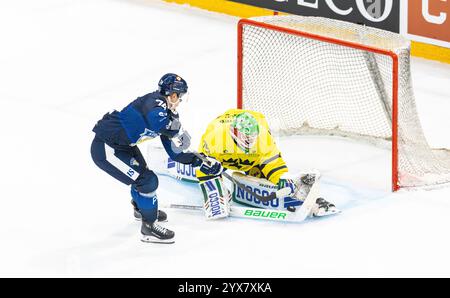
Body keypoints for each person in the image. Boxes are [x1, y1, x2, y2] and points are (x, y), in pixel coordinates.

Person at [90, 73, 204, 244]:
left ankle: (143, 209)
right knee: (147, 181)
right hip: (106, 147)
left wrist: (197, 159)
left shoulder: (169, 115)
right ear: (172, 94)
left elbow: (173, 151)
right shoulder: (155, 101)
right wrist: (178, 130)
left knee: (143, 177)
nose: (180, 101)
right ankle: (148, 227)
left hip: (123, 146)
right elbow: (157, 123)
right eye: (179, 96)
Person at [195, 109, 339, 219]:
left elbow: (274, 165)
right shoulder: (216, 137)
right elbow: (202, 164)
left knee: (278, 181)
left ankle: (312, 200)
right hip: (221, 159)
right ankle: (215, 192)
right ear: (235, 133)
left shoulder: (264, 139)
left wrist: (284, 179)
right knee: (212, 183)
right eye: (246, 137)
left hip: (252, 162)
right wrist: (213, 186)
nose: (250, 141)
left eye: (252, 137)